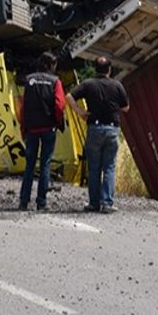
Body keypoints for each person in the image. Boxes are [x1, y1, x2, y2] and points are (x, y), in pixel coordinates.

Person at [66, 56, 130, 213]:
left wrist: (80, 112)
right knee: (109, 167)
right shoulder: (117, 85)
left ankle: (94, 203)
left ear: (95, 68)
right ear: (109, 69)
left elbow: (69, 96)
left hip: (94, 128)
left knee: (94, 167)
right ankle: (107, 203)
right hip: (112, 129)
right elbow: (126, 107)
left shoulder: (88, 84)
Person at [18, 52, 65, 211]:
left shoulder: (29, 80)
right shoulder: (55, 81)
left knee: (29, 165)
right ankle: (41, 202)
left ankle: (23, 202)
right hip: (48, 128)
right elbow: (59, 105)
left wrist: (23, 127)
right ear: (51, 65)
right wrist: (58, 122)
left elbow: (23, 108)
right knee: (45, 164)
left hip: (31, 129)